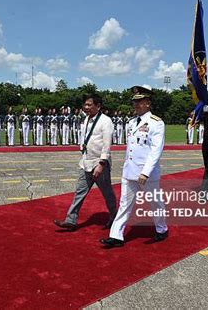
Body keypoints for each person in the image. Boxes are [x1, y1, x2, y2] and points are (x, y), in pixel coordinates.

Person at [101, 86, 168, 248]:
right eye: (135, 102)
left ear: (148, 104)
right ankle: (116, 236)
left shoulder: (156, 123)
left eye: (140, 102)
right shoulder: (131, 123)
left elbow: (155, 150)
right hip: (129, 171)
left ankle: (162, 228)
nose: (136, 105)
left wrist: (145, 172)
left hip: (147, 174)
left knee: (155, 202)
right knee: (124, 204)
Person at [54, 93, 117, 231]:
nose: (86, 107)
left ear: (98, 106)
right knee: (79, 192)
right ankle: (71, 220)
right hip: (86, 162)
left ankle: (114, 217)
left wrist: (101, 164)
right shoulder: (86, 119)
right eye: (85, 104)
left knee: (107, 194)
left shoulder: (106, 121)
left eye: (89, 104)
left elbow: (107, 145)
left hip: (99, 163)